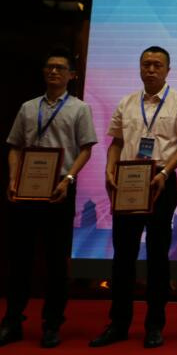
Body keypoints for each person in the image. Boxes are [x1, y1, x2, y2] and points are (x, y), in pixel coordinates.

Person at [90, 46, 177, 349]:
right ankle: (118, 324)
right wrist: (109, 170)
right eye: (146, 64)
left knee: (157, 256)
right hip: (128, 183)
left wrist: (165, 172)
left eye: (157, 65)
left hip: (161, 183)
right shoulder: (127, 102)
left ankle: (154, 325)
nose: (151, 70)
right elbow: (116, 142)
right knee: (122, 256)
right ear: (139, 68)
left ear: (167, 70)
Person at [0, 48, 98, 349]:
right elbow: (15, 146)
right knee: (19, 259)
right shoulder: (28, 107)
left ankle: (52, 324)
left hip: (59, 190)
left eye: (60, 68)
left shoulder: (80, 109)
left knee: (56, 262)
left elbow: (86, 148)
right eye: (49, 67)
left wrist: (69, 179)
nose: (54, 72)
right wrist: (13, 179)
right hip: (26, 189)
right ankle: (12, 321)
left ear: (72, 75)